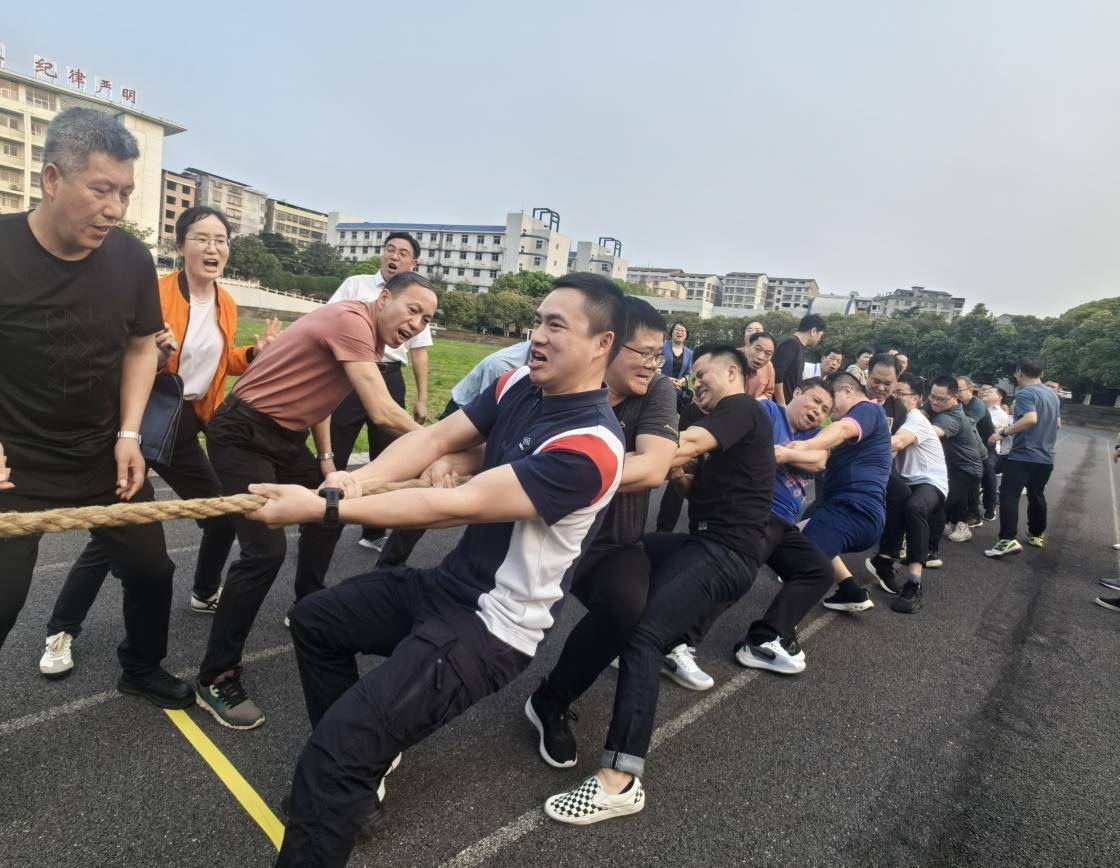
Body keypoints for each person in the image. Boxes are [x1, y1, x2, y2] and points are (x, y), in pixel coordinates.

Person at [249, 273, 626, 866]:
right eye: (538, 320)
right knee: (316, 622)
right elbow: (433, 440)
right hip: (448, 588)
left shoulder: (593, 446)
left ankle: (350, 760)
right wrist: (354, 478)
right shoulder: (520, 384)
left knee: (335, 749)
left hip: (491, 629)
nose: (539, 335)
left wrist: (325, 506)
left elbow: (451, 506)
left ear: (602, 345)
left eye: (557, 325)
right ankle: (363, 761)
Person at [37, 206, 281, 678]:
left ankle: (203, 591)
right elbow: (124, 352)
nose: (213, 248)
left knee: (219, 512)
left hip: (188, 423)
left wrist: (252, 354)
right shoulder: (157, 292)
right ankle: (61, 629)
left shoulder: (226, 302)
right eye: (202, 238)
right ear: (180, 245)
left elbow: (218, 360)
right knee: (118, 526)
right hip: (144, 416)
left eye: (222, 240)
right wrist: (158, 352)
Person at [0, 107, 191, 708]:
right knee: (2, 599)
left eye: (126, 193)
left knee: (152, 572)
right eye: (101, 189)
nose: (115, 208)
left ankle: (141, 667)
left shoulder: (132, 259)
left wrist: (129, 434)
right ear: (52, 179)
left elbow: (140, 345)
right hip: (16, 463)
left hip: (103, 454)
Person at [194, 271, 438, 730]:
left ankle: (307, 604)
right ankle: (216, 675)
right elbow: (383, 412)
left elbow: (323, 396)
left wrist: (327, 463)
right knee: (264, 551)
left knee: (329, 511)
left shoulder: (367, 340)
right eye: (412, 309)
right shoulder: (351, 319)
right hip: (243, 433)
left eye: (426, 318)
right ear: (384, 298)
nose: (417, 322)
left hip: (286, 440)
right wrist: (439, 446)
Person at [544, 344, 774, 825]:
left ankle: (620, 780)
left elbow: (683, 444)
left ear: (733, 371)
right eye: (693, 376)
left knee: (643, 635)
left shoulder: (742, 408)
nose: (697, 383)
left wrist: (595, 467)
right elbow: (696, 482)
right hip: (703, 543)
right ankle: (559, 690)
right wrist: (678, 477)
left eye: (704, 374)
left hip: (724, 554)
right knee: (623, 554)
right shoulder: (732, 430)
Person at [525, 298, 679, 768]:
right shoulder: (550, 381)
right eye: (647, 353)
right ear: (606, 344)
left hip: (612, 541)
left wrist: (565, 472)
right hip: (540, 534)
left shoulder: (657, 391)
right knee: (480, 621)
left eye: (660, 355)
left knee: (626, 609)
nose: (655, 365)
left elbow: (653, 467)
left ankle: (551, 699)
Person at [375, 340, 532, 567]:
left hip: (500, 416)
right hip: (466, 413)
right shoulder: (504, 367)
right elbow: (495, 419)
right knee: (433, 483)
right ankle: (388, 565)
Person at [326, 232, 429, 551]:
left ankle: (373, 531)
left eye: (402, 253)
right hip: (350, 376)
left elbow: (419, 351)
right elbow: (328, 321)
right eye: (389, 250)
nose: (394, 257)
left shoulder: (418, 298)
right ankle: (320, 522)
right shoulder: (356, 285)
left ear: (414, 262)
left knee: (387, 456)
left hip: (389, 375)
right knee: (335, 448)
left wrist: (422, 397)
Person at [787, 371, 892, 613]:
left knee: (805, 559)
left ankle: (775, 634)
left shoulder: (868, 409)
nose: (829, 410)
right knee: (789, 536)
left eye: (831, 402)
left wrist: (802, 445)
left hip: (854, 510)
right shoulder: (850, 428)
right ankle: (850, 590)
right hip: (848, 511)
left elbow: (842, 429)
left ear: (847, 391)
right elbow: (820, 460)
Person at [865, 373, 948, 614]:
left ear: (917, 399)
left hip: (931, 482)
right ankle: (883, 559)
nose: (896, 397)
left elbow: (897, 443)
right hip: (907, 484)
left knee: (914, 507)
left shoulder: (915, 419)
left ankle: (914, 584)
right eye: (895, 393)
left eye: (902, 394)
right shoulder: (889, 416)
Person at [985, 359, 1061, 558]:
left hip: (1024, 455)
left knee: (1010, 495)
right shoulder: (1052, 396)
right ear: (1042, 373)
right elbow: (1057, 423)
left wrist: (1002, 433)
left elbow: (1030, 419)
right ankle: (1036, 534)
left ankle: (1007, 539)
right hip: (1046, 456)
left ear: (1019, 373)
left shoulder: (1026, 393)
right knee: (1037, 494)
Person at [928, 377, 984, 544]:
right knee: (955, 500)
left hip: (967, 468)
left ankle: (931, 549)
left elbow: (929, 433)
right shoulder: (937, 401)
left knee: (942, 502)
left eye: (941, 399)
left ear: (955, 398)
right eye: (932, 396)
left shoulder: (953, 418)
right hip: (952, 465)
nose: (935, 402)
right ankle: (952, 525)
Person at [956, 376, 994, 527]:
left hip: (985, 447)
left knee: (982, 479)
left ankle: (983, 512)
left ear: (970, 390)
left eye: (959, 390)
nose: (956, 393)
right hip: (968, 448)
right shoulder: (958, 403)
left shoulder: (977, 405)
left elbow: (964, 424)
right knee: (968, 479)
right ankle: (967, 511)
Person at [771, 314, 826, 405]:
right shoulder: (791, 343)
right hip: (778, 405)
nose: (819, 339)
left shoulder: (799, 347)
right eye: (820, 335)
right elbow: (777, 373)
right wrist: (781, 402)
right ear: (813, 331)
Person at [980, 384, 1011, 520]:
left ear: (999, 397)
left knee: (988, 467)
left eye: (991, 391)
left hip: (992, 451)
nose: (986, 392)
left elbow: (988, 428)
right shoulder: (979, 407)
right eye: (985, 390)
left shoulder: (1000, 414)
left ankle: (990, 507)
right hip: (975, 447)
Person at [661, 321, 692, 397]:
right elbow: (653, 368)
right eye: (677, 330)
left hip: (677, 391)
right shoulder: (661, 347)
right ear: (672, 332)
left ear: (686, 335)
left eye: (682, 331)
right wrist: (668, 379)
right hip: (660, 387)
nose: (679, 332)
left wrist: (681, 381)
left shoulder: (689, 353)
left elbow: (688, 373)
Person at [743, 330, 776, 399]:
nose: (760, 357)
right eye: (758, 349)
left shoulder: (769, 367)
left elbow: (768, 393)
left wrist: (754, 403)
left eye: (768, 353)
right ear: (748, 346)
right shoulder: (730, 358)